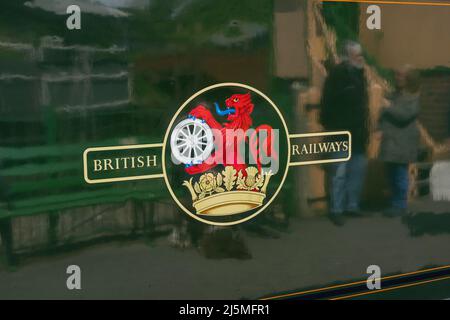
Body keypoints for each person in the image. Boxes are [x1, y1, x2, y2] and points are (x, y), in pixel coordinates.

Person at [320, 41, 370, 225]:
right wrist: (333, 126)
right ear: (347, 57)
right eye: (357, 55)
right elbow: (328, 105)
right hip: (342, 131)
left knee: (356, 170)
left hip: (357, 132)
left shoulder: (359, 74)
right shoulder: (338, 75)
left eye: (360, 54)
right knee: (339, 172)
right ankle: (337, 209)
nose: (361, 58)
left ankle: (352, 206)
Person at [378, 66, 421, 216]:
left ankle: (400, 205)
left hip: (403, 141)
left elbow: (405, 115)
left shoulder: (414, 97)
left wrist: (389, 107)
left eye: (401, 75)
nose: (397, 78)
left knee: (400, 173)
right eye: (396, 75)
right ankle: (394, 203)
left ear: (410, 78)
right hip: (391, 140)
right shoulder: (393, 95)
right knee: (391, 173)